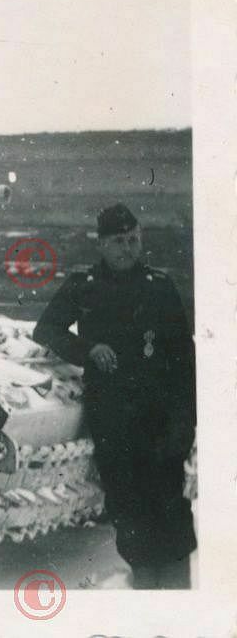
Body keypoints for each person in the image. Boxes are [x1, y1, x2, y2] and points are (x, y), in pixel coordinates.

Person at [33, 203, 196, 589]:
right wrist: (86, 349)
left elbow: (184, 361)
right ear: (102, 244)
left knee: (170, 514)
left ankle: (178, 601)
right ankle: (144, 600)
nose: (128, 248)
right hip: (113, 421)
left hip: (160, 420)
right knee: (130, 514)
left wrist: (184, 424)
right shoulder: (84, 286)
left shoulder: (160, 287)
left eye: (134, 240)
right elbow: (47, 329)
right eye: (119, 241)